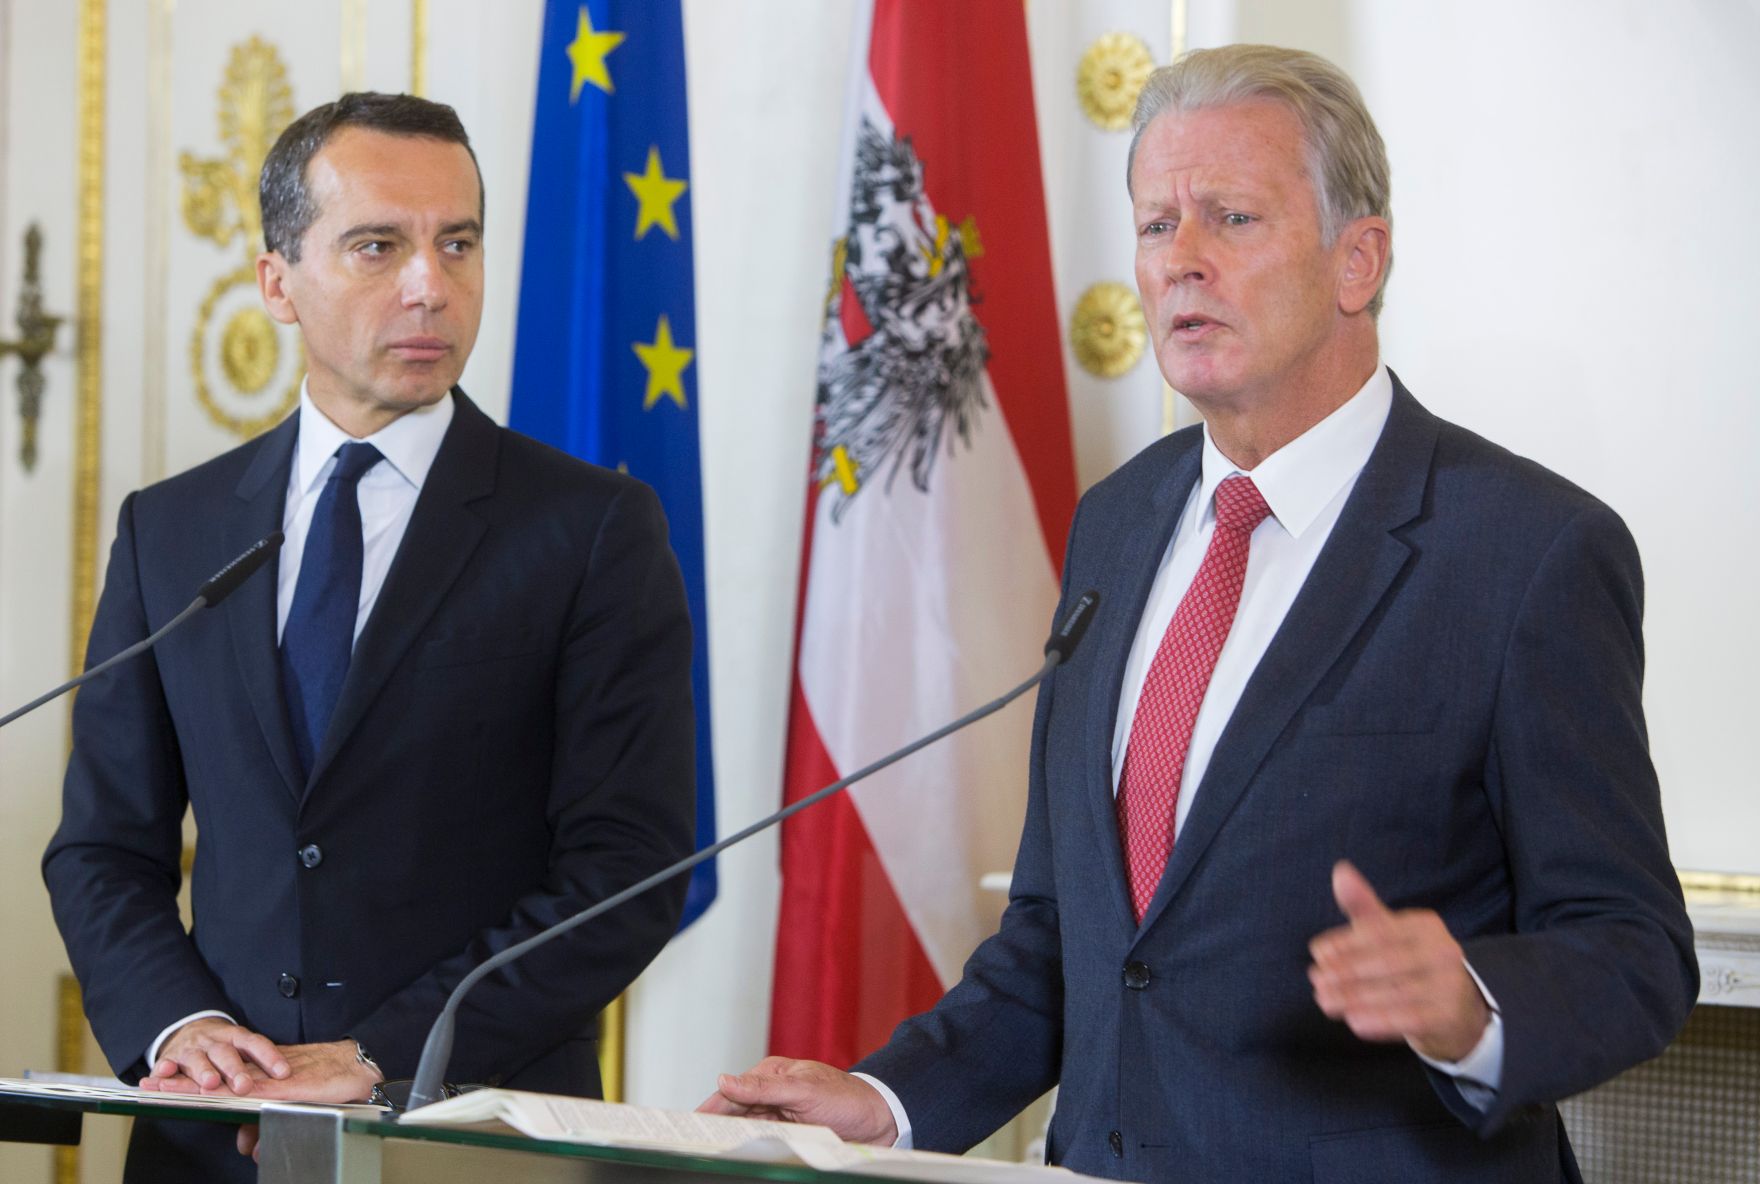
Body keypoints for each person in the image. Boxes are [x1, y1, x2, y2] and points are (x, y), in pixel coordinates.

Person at [704, 45, 1696, 1181]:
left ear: (1355, 259)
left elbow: (1631, 949)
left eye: (1229, 218)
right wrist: (889, 1098)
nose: (1180, 262)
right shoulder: (1117, 523)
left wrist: (1472, 1005)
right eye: (1154, 225)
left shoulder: (1522, 552)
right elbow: (1065, 935)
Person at [42, 92, 696, 1182]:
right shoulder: (172, 529)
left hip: (473, 1135)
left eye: (458, 243)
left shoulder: (588, 530)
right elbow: (104, 847)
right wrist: (183, 1029)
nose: (428, 285)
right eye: (377, 245)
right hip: (211, 1143)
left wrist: (381, 1053)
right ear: (276, 281)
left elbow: (626, 867)